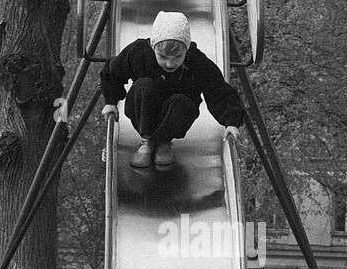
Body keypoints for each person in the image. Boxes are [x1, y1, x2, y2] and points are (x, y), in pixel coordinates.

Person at [101, 9, 245, 170]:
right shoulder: (139, 52)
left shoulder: (196, 61)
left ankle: (163, 142)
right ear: (153, 46)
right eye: (162, 57)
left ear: (186, 50)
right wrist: (111, 101)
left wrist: (231, 122)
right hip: (144, 111)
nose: (169, 64)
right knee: (143, 86)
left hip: (176, 116)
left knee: (182, 101)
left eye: (177, 57)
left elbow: (218, 90)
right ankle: (147, 140)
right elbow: (113, 72)